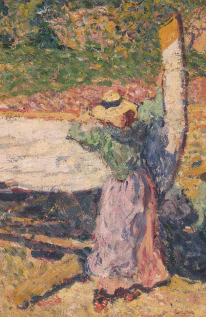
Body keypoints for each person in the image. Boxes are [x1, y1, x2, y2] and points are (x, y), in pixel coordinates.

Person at [69, 90, 169, 311]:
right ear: (107, 119)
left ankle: (132, 280)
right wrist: (82, 120)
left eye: (123, 114)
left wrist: (83, 120)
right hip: (118, 187)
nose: (121, 119)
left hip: (139, 184)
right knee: (114, 231)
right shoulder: (103, 136)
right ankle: (112, 283)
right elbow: (75, 134)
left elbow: (151, 114)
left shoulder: (136, 131)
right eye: (116, 116)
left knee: (138, 231)